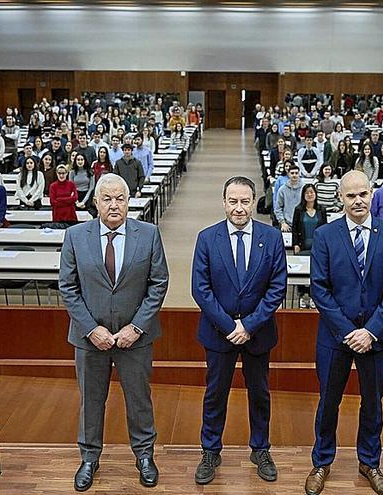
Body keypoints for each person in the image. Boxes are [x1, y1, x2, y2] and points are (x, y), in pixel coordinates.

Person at [58, 173, 169, 491]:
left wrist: (136, 327)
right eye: (106, 198)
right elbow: (68, 287)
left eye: (120, 197)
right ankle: (89, 458)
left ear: (129, 200)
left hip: (136, 339)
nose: (114, 204)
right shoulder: (75, 236)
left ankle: (145, 456)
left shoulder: (148, 234)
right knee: (91, 401)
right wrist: (92, 330)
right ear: (95, 202)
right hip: (90, 340)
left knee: (139, 400)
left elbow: (158, 283)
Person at [305, 170, 383, 495]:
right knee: (328, 401)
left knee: (373, 403)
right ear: (340, 197)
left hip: (377, 339)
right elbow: (319, 289)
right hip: (336, 338)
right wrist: (350, 331)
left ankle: (370, 462)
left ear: (372, 194)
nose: (358, 200)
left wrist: (371, 331)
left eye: (363, 194)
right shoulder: (325, 235)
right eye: (351, 195)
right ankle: (321, 462)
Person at [190, 177, 286, 485]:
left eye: (245, 201)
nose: (239, 208)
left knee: (260, 394)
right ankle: (210, 450)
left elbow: (277, 287)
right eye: (233, 201)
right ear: (224, 203)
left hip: (258, 333)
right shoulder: (207, 238)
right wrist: (232, 326)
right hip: (220, 333)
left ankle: (260, 449)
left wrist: (249, 325)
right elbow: (200, 289)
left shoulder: (271, 238)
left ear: (254, 202)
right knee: (215, 394)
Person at [275, 164, 303, 232]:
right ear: (288, 174)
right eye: (292, 173)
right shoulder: (282, 190)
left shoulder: (304, 188)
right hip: (287, 225)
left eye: (296, 173)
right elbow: (278, 208)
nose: (294, 175)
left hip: (302, 224)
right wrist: (283, 223)